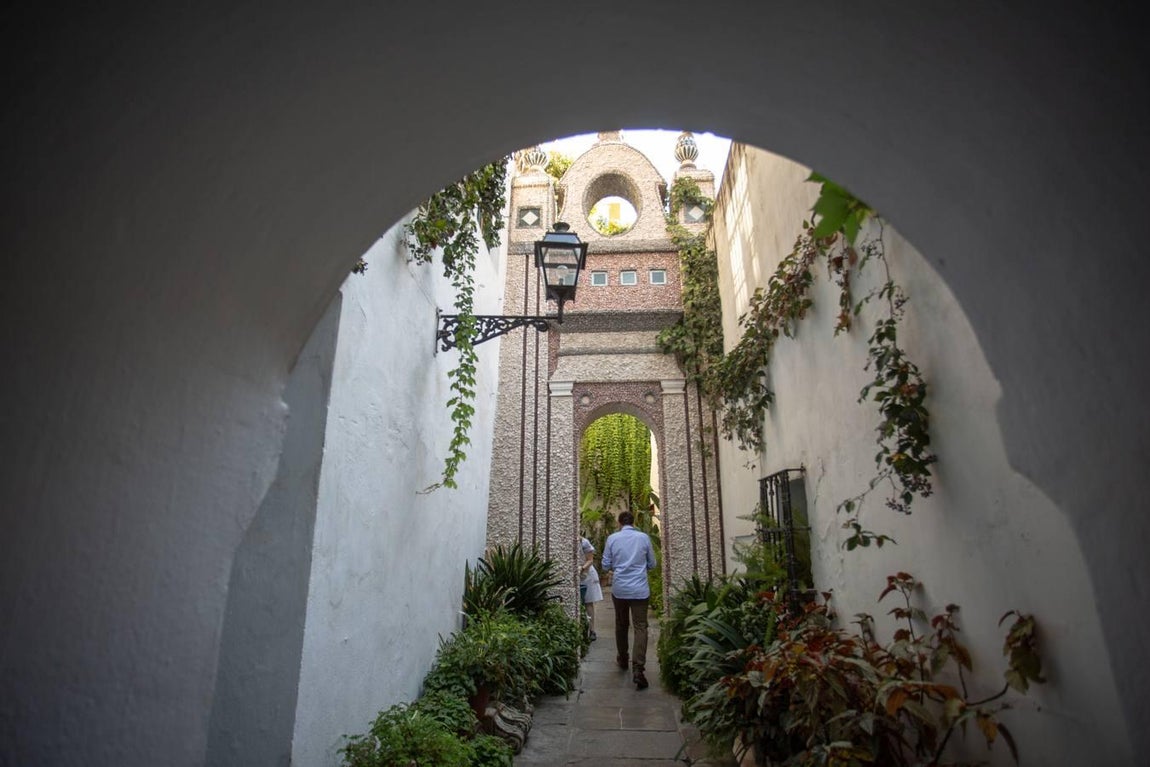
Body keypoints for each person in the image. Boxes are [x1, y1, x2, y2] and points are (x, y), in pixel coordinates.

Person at [600, 510, 657, 690]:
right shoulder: (644, 538)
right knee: (641, 626)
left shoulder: (612, 539)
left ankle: (623, 658)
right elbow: (652, 564)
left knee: (621, 624)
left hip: (620, 589)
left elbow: (605, 565)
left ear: (619, 523)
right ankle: (638, 668)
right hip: (640, 589)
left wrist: (617, 568)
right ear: (633, 522)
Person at [579, 535, 603, 640]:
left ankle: (592, 630)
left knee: (588, 603)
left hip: (587, 575)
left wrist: (582, 568)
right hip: (578, 574)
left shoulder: (584, 542)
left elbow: (590, 560)